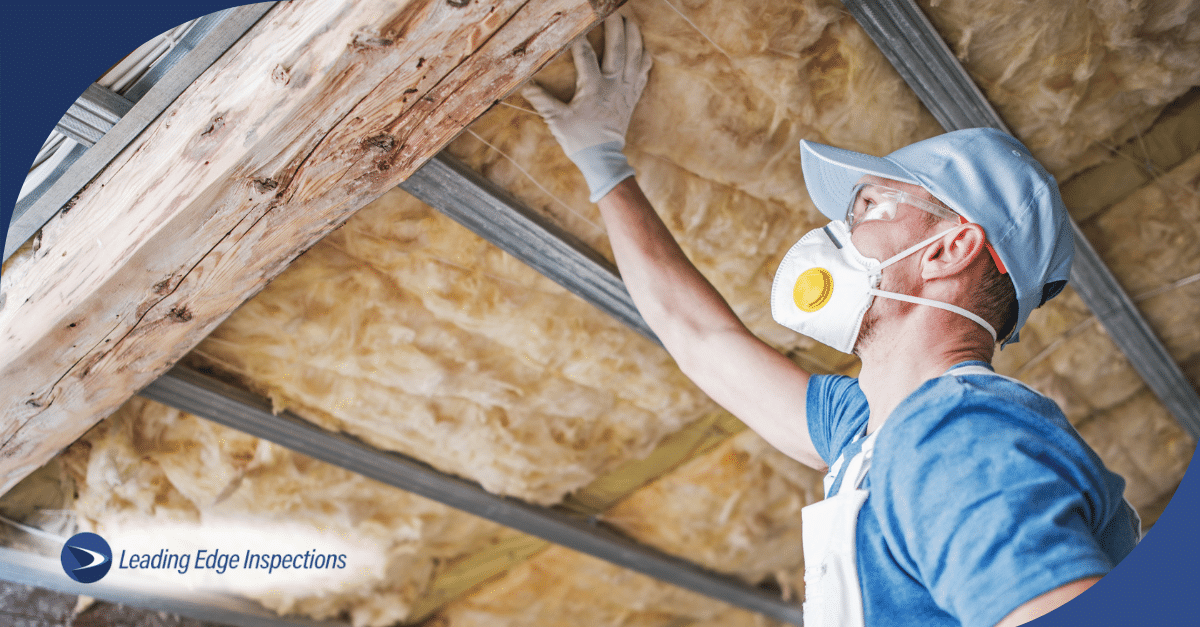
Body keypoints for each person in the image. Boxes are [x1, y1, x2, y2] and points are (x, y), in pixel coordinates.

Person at [520, 14, 1142, 627]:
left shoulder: (956, 434)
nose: (839, 231)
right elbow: (701, 337)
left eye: (873, 206)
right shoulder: (868, 433)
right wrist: (603, 163)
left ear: (949, 250)